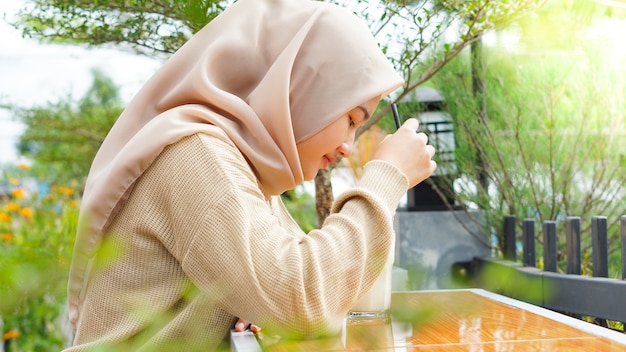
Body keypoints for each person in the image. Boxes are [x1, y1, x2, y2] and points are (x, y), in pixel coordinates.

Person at [64, 0, 436, 350]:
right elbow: (303, 297)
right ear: (302, 89)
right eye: (351, 119)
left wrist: (254, 301)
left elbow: (315, 292)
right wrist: (388, 177)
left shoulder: (244, 171)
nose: (347, 147)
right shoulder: (197, 157)